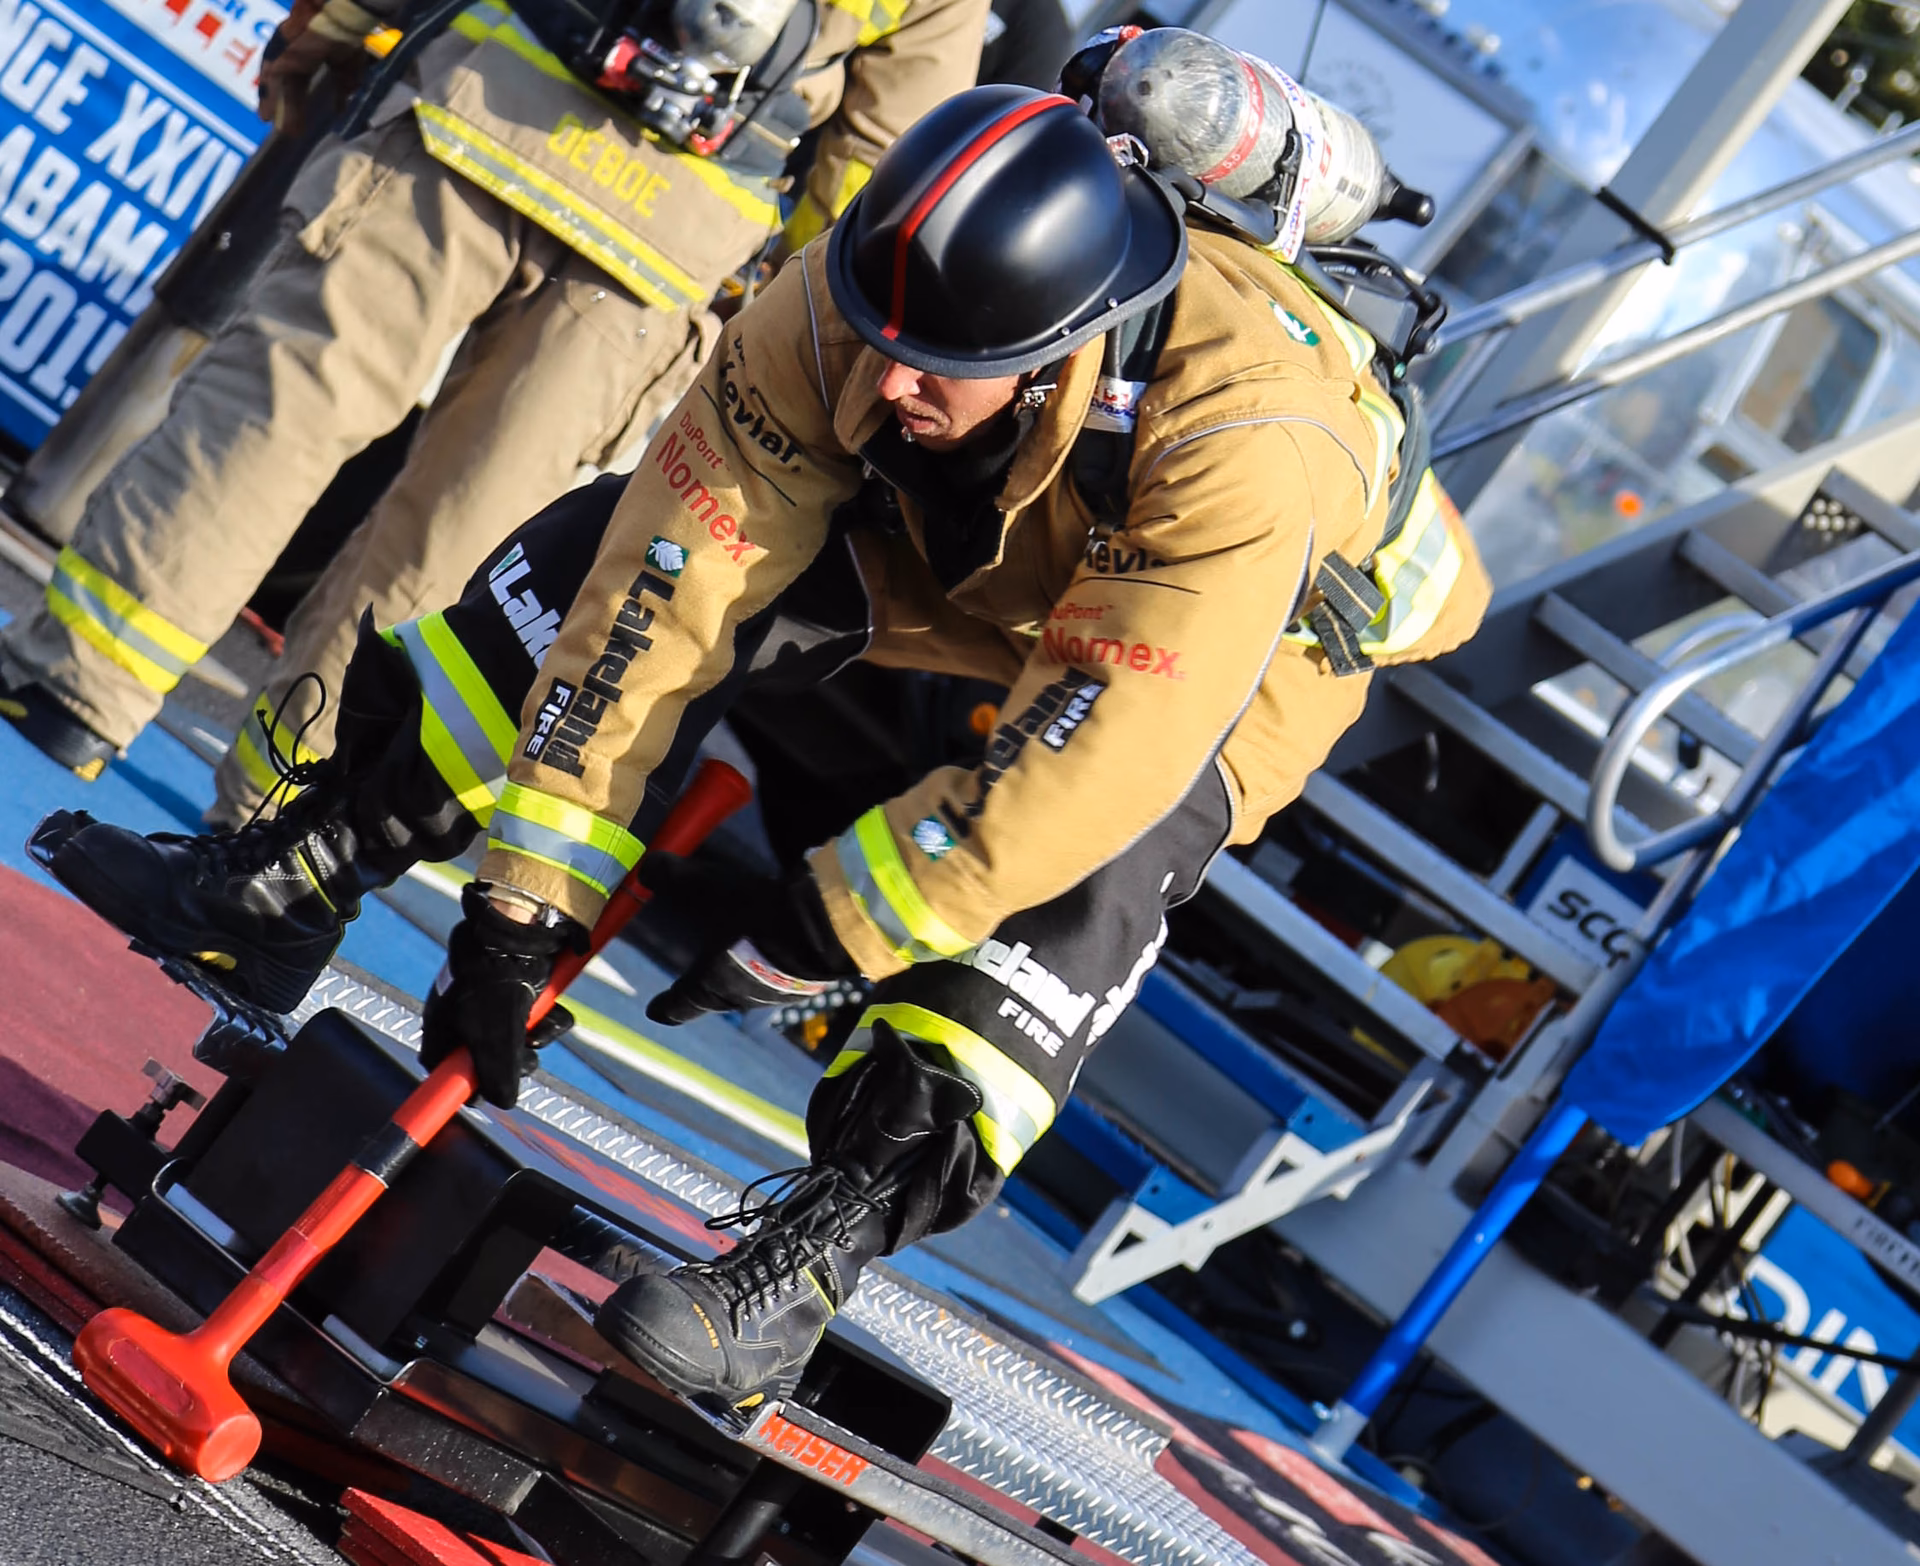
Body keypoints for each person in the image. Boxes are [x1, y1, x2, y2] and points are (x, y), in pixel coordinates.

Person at [34, 80, 1492, 1410]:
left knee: (1088, 866)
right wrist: (514, 918)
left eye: (936, 364)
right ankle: (297, 880)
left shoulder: (1245, 439)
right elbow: (655, 600)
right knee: (585, 566)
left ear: (1059, 345)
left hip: (1251, 636)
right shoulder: (849, 306)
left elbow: (1103, 742)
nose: (891, 381)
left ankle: (801, 1267)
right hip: (980, 542)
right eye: (882, 341)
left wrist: (832, 926)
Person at [0, 0, 989, 792]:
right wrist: (789, 322)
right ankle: (279, 804)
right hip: (660, 247)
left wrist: (337, 22)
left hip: (482, 113)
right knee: (463, 530)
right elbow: (881, 155)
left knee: (278, 412)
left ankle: (75, 687)